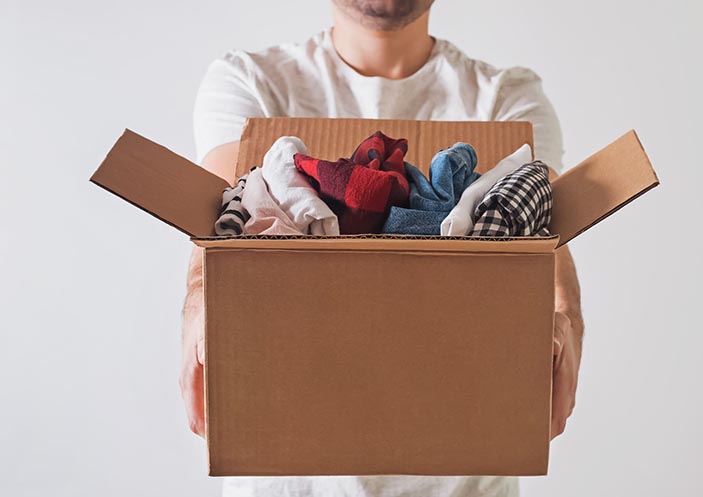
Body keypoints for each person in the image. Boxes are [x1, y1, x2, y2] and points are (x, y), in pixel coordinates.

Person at [180, 1, 583, 496]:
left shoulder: (506, 97)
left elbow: (546, 237)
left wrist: (565, 313)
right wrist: (198, 304)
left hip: (462, 478)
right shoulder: (250, 83)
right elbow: (223, 229)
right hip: (286, 477)